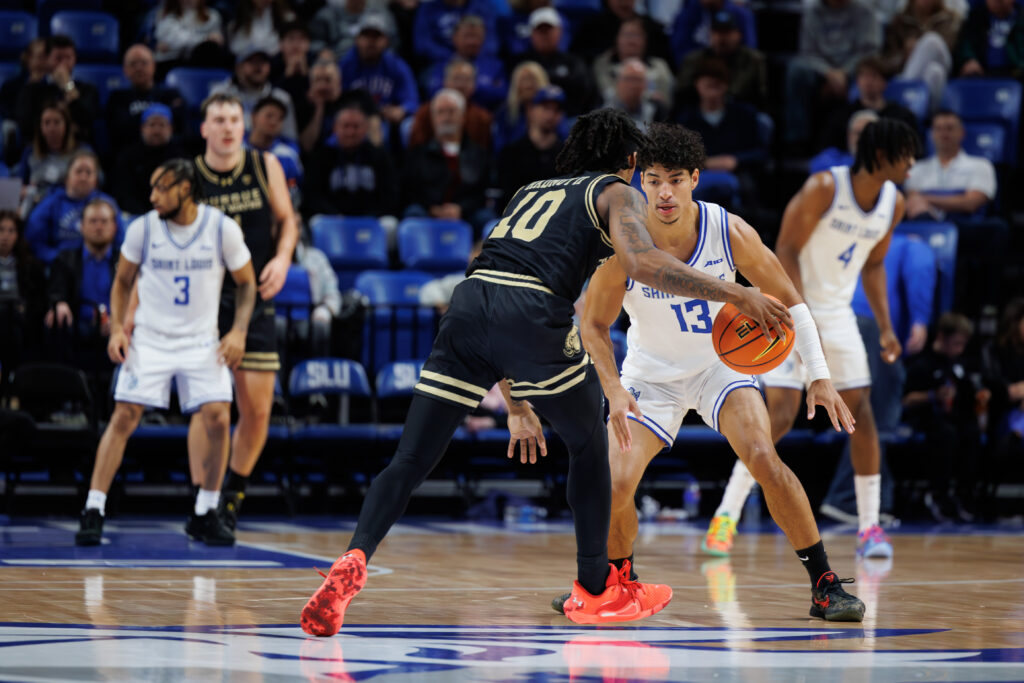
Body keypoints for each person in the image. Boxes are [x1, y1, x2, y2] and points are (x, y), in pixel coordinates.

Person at [299, 108, 793, 636]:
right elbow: (645, 265)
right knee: (591, 445)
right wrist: (734, 290)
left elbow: (491, 279)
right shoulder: (616, 192)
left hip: (467, 308)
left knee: (411, 458)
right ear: (630, 160)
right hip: (533, 313)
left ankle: (354, 556)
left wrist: (515, 403)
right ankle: (597, 589)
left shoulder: (531, 189)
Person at [545, 120, 861, 622]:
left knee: (762, 454)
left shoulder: (729, 231)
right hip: (651, 375)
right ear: (638, 182)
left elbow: (792, 302)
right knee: (615, 480)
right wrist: (614, 388)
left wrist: (818, 374)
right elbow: (595, 325)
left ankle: (824, 583)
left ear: (695, 178)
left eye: (674, 178)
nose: (663, 192)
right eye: (652, 179)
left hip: (720, 368)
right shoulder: (621, 245)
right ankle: (616, 583)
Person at [702, 118, 919, 559]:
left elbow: (874, 266)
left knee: (862, 415)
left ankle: (870, 528)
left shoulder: (893, 203)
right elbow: (784, 249)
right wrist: (802, 315)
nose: (913, 163)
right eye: (906, 153)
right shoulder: (824, 187)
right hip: (790, 308)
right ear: (881, 155)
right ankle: (726, 515)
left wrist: (887, 325)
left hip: (838, 317)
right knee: (778, 418)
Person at [74, 159, 257, 547]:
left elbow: (246, 284)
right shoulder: (143, 228)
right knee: (123, 415)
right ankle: (94, 507)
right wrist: (119, 329)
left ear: (186, 189)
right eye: (152, 187)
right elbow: (122, 282)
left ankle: (206, 510)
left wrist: (238, 331)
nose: (152, 195)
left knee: (219, 417)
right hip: (152, 339)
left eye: (162, 188)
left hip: (201, 341)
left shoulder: (221, 227)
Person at [189, 93, 298, 533]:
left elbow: (287, 220)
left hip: (253, 295)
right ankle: (203, 503)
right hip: (205, 299)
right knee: (209, 409)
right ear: (205, 128)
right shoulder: (190, 176)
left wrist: (284, 258)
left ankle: (232, 495)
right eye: (219, 119)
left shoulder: (263, 164)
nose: (229, 127)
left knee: (256, 410)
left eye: (235, 118)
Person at [903, 311, 987, 521]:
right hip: (925, 420)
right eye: (956, 343)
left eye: (963, 344)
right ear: (941, 337)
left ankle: (963, 494)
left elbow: (970, 396)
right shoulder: (922, 363)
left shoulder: (959, 364)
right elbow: (906, 400)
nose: (960, 349)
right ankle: (937, 495)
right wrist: (933, 395)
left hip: (955, 419)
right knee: (945, 433)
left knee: (971, 432)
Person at [401, 89, 493, 231]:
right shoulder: (418, 153)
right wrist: (433, 208)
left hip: (466, 214)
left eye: (451, 111)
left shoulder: (478, 153)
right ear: (433, 118)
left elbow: (481, 192)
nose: (446, 117)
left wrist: (460, 209)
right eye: (440, 112)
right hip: (428, 211)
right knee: (413, 214)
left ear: (463, 117)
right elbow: (410, 190)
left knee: (487, 219)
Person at [44, 198, 121, 366]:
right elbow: (56, 289)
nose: (99, 227)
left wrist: (118, 321)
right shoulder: (66, 259)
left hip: (117, 328)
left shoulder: (125, 261)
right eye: (93, 221)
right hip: (78, 328)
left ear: (114, 227)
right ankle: (62, 381)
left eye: (104, 221)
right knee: (56, 319)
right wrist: (60, 303)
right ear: (82, 227)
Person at [25, 151, 124, 265]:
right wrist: (58, 259)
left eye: (88, 172)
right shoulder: (51, 202)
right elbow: (34, 240)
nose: (83, 177)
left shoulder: (107, 204)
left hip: (100, 263)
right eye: (78, 171)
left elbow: (120, 241)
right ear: (67, 177)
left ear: (96, 180)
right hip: (60, 266)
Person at [303, 104, 399, 218]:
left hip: (371, 220)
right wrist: (335, 215)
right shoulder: (321, 156)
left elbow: (390, 196)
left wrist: (370, 216)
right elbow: (313, 195)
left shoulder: (380, 156)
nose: (350, 132)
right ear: (335, 128)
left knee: (389, 224)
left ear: (365, 129)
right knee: (316, 221)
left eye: (356, 127)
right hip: (333, 220)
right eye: (346, 126)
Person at [14, 34, 101, 147]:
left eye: (68, 58)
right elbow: (25, 124)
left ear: (75, 59)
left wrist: (68, 86)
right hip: (39, 148)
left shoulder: (88, 89)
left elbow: (87, 121)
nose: (63, 64)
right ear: (47, 59)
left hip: (78, 148)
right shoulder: (32, 89)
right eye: (58, 58)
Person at [105, 44, 186, 159]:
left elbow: (180, 124)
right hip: (131, 159)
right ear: (125, 70)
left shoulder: (170, 94)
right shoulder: (117, 98)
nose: (139, 68)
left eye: (144, 63)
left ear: (154, 66)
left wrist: (138, 120)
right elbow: (119, 130)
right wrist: (161, 119)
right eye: (133, 64)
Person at [112, 104, 188, 216]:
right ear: (142, 128)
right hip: (137, 216)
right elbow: (124, 194)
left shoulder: (181, 157)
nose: (156, 130)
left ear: (170, 128)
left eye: (162, 125)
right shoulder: (127, 157)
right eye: (152, 125)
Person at [497, 85, 565, 208]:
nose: (551, 115)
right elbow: (507, 196)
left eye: (556, 110)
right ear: (531, 111)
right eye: (545, 108)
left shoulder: (567, 155)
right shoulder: (511, 152)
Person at [0, 211, 46, 394]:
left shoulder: (30, 265)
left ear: (18, 235)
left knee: (11, 320)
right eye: (1, 230)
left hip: (19, 320)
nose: (5, 236)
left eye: (11, 231)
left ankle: (15, 386)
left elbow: (39, 299)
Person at [211, 47, 300, 141]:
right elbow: (214, 132)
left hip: (271, 150)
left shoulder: (281, 98)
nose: (258, 67)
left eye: (263, 62)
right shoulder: (222, 93)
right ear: (239, 67)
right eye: (252, 62)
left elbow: (290, 138)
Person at [409, 59, 493, 150]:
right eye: (456, 79)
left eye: (466, 80)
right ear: (445, 82)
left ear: (474, 85)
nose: (461, 85)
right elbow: (416, 151)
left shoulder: (482, 118)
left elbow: (483, 154)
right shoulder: (426, 112)